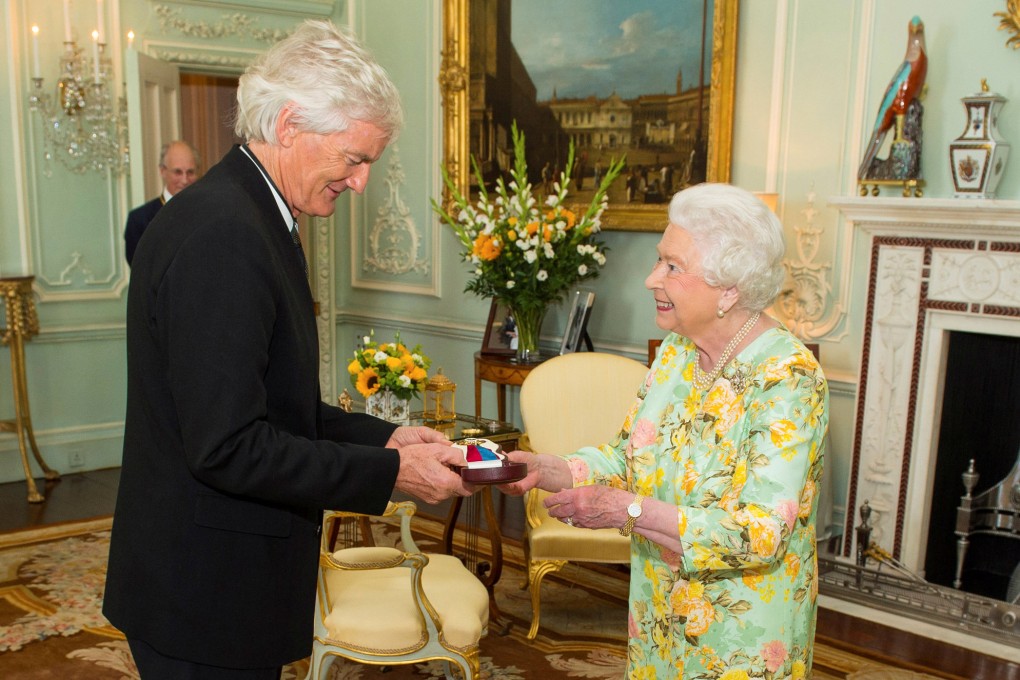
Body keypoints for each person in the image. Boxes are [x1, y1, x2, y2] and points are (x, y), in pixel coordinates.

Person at [103, 20, 471, 679]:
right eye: (354, 158)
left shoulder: (250, 214)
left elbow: (274, 401)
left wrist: (383, 442)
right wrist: (389, 479)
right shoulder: (224, 231)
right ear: (292, 123)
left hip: (214, 582)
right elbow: (229, 446)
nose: (359, 182)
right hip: (204, 594)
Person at [501, 183, 829, 679]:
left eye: (672, 267)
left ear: (730, 288)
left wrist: (628, 510)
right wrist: (549, 467)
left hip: (742, 629)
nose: (651, 278)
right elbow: (629, 455)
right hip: (659, 606)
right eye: (660, 261)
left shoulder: (788, 377)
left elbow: (761, 533)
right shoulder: (677, 351)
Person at [123, 140, 200, 265]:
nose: (185, 180)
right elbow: (140, 272)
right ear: (162, 171)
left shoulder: (207, 213)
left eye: (190, 172)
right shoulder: (139, 220)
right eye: (178, 172)